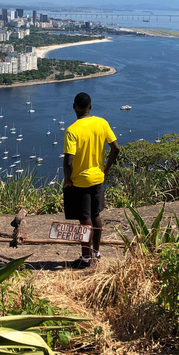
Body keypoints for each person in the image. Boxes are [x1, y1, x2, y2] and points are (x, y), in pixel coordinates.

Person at [62, 92, 120, 269]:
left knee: (84, 218)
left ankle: (86, 259)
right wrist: (106, 168)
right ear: (90, 107)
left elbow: (68, 161)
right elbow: (116, 148)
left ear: (74, 107)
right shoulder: (101, 123)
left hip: (80, 181)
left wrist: (67, 180)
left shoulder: (72, 130)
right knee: (96, 215)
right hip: (98, 177)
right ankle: (96, 252)